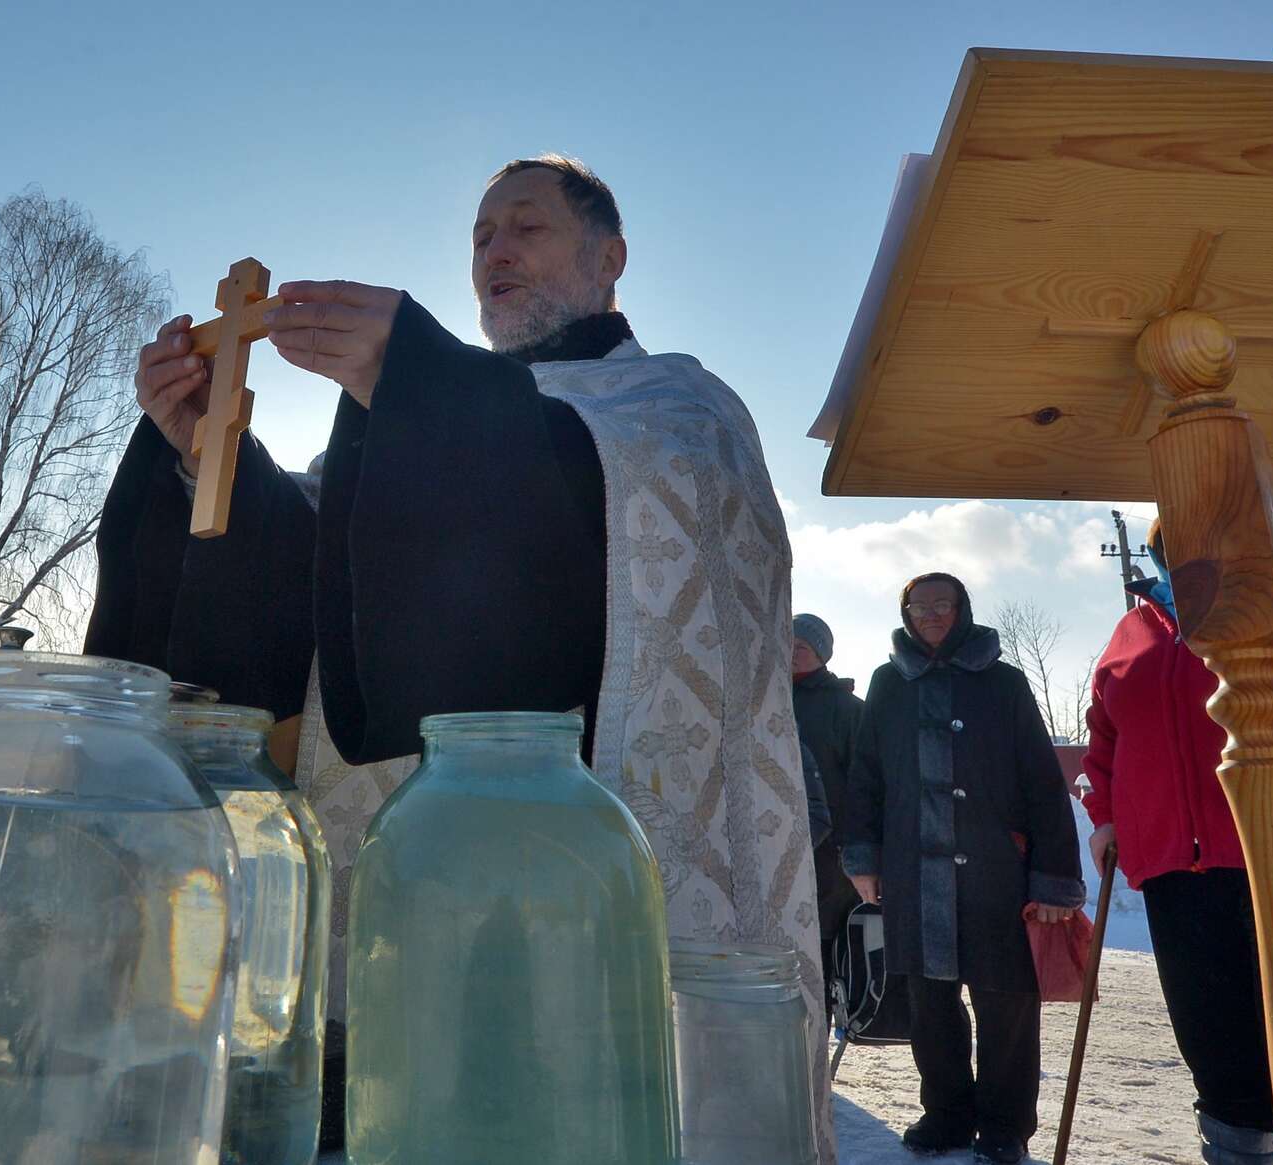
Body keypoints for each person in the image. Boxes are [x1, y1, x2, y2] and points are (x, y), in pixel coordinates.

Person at [86, 154, 826, 1157]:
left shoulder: (676, 410)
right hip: (410, 901)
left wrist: (421, 384)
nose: (494, 252)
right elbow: (324, 585)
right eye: (479, 236)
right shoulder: (410, 420)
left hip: (593, 907)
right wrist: (200, 457)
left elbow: (603, 539)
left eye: (524, 227)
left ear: (610, 257)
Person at [1082, 522, 1273, 1165]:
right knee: (1215, 1040)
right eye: (1170, 545)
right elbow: (1104, 742)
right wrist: (1106, 816)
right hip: (1177, 868)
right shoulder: (1130, 634)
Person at [843, 573, 1083, 1165]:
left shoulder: (1003, 682)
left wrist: (1053, 878)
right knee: (929, 1002)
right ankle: (947, 1114)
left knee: (1006, 1003)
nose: (930, 615)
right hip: (910, 870)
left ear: (962, 609)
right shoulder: (888, 684)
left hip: (997, 871)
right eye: (918, 606)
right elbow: (866, 776)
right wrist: (864, 858)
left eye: (941, 605)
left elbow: (1042, 783)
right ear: (904, 613)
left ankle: (1005, 1126)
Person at [793, 612, 863, 958]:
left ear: (821, 654)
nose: (791, 651)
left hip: (832, 854)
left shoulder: (847, 709)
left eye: (801, 645)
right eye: (785, 642)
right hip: (780, 844)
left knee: (829, 950)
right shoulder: (763, 701)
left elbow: (865, 783)